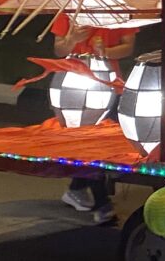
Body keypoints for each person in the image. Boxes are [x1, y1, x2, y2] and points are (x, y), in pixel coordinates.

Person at [52, 13, 134, 226]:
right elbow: (59, 50)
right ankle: (102, 203)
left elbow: (128, 46)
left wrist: (105, 51)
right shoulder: (69, 12)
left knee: (107, 145)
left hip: (110, 84)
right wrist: (72, 39)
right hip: (74, 85)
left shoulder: (118, 11)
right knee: (89, 145)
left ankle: (76, 188)